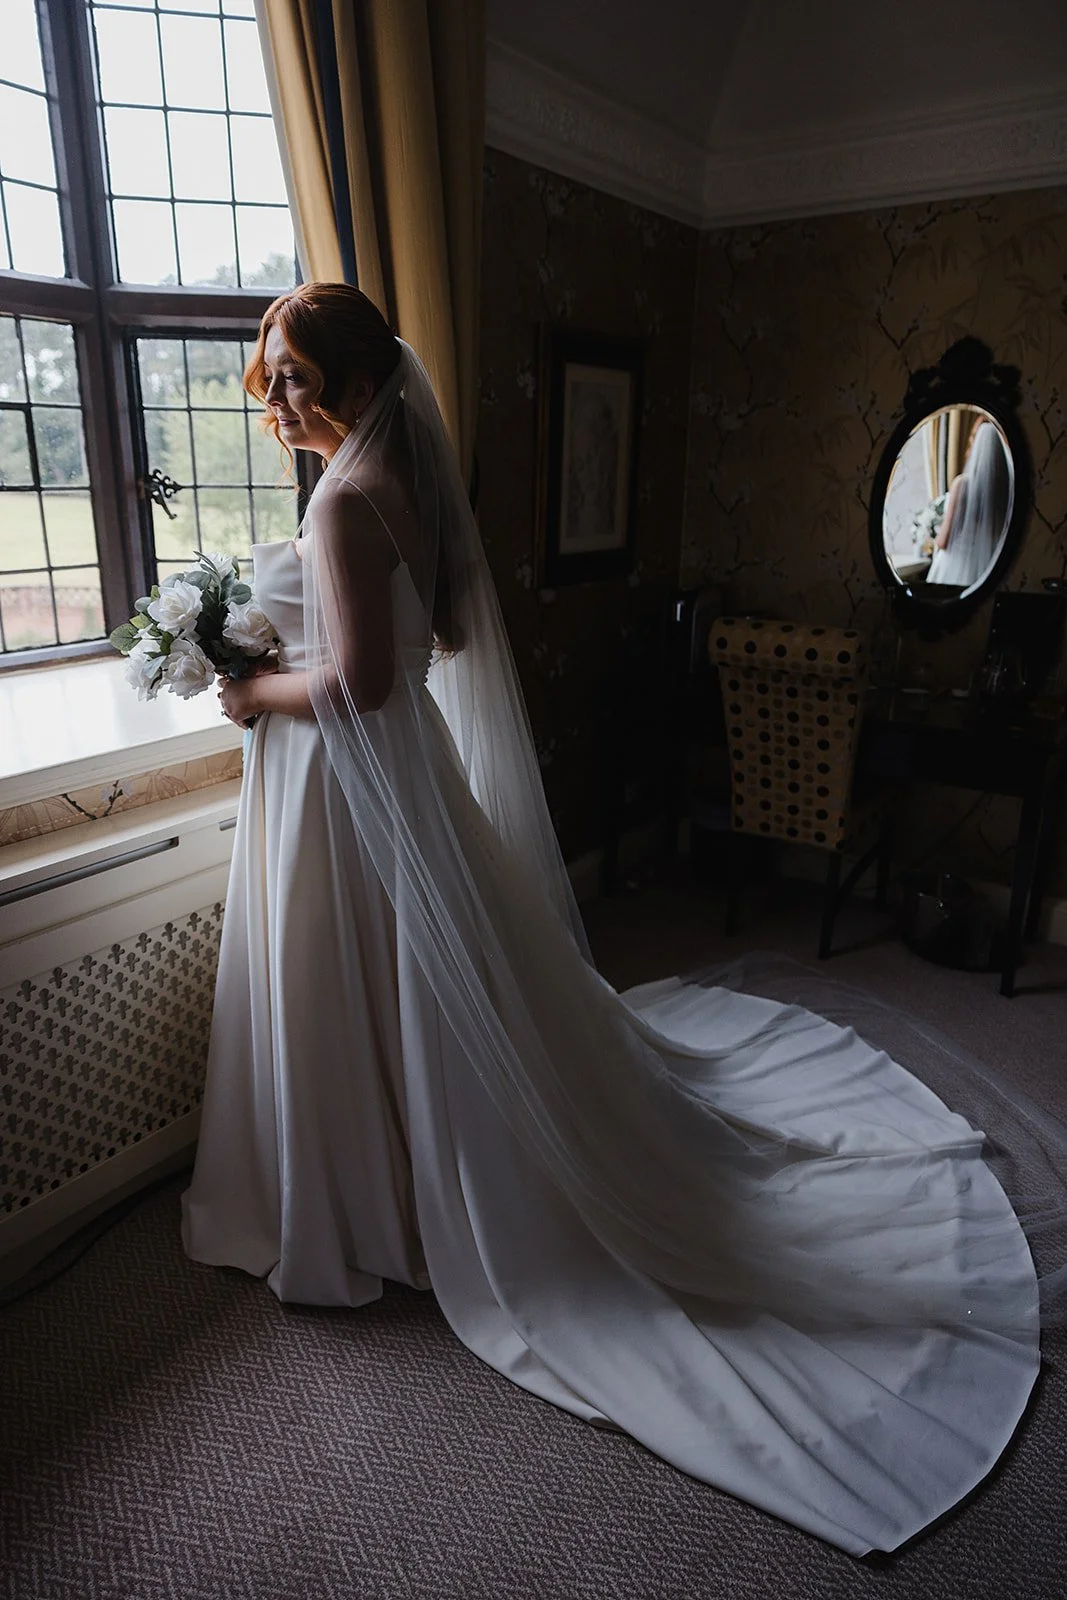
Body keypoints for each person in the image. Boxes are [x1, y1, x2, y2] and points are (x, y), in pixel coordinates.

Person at [182, 284, 1053, 1557]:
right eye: (271, 378)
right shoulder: (398, 480)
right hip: (397, 777)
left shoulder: (345, 498)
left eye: (299, 378)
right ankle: (377, 1161)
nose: (279, 401)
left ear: (363, 386)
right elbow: (431, 638)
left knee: (367, 977)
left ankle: (377, 1188)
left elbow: (363, 683)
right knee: (406, 983)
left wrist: (253, 683)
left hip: (354, 781)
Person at [927, 419, 1012, 589]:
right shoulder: (1006, 491)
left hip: (953, 570)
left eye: (974, 437)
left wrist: (931, 536)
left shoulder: (962, 485)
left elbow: (943, 541)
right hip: (985, 570)